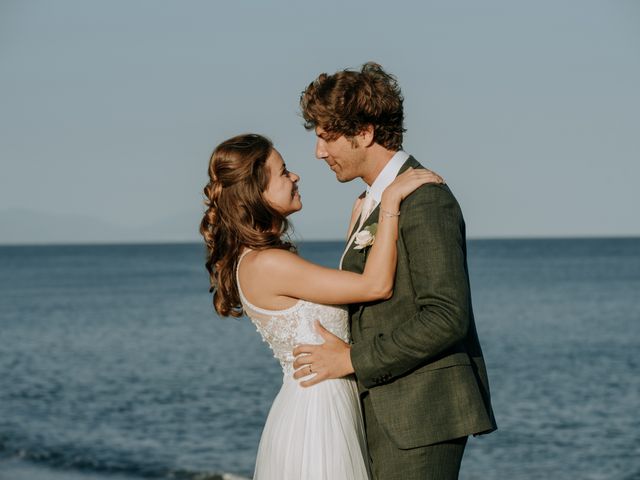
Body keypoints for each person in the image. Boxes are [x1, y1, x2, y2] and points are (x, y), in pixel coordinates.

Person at [293, 62, 497, 480]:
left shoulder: (424, 200)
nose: (319, 152)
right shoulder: (372, 200)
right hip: (383, 409)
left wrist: (352, 359)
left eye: (326, 137)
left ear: (364, 133)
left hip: (421, 416)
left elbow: (445, 316)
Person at [199, 133, 444, 479]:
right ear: (256, 192)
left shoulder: (262, 260)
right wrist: (390, 204)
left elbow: (329, 295)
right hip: (317, 416)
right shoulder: (267, 264)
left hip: (326, 403)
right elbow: (376, 286)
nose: (295, 176)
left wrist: (354, 237)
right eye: (283, 172)